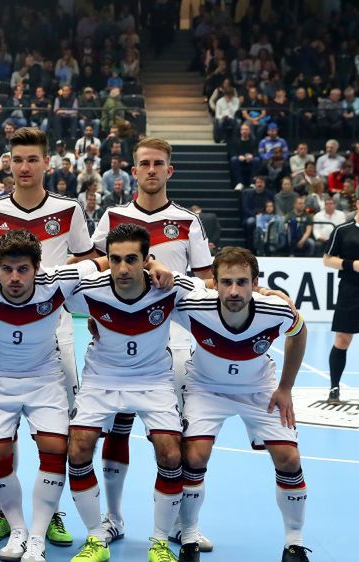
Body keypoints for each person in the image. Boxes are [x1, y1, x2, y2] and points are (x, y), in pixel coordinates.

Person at [0, 229, 135, 562]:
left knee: (55, 449)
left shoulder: (59, 281)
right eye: (7, 269)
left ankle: (36, 537)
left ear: (37, 268)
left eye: (23, 269)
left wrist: (153, 264)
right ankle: (17, 529)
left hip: (44, 379)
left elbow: (104, 263)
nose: (14, 278)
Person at [89, 137, 216, 551]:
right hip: (119, 338)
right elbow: (91, 270)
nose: (151, 170)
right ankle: (113, 518)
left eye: (158, 164)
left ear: (169, 171)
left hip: (175, 340)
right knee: (116, 429)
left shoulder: (187, 221)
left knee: (173, 438)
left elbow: (208, 283)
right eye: (143, 163)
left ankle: (180, 525)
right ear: (133, 169)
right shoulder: (112, 216)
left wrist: (170, 278)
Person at [65, 223, 203, 562]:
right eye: (115, 260)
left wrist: (271, 294)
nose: (122, 269)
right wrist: (98, 263)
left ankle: (158, 542)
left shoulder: (169, 288)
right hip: (102, 378)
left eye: (132, 259)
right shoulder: (90, 288)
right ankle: (97, 538)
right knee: (79, 448)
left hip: (153, 379)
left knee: (171, 454)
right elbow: (53, 279)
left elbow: (216, 288)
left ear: (146, 259)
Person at [172, 247, 311, 562]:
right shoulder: (193, 305)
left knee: (289, 459)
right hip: (206, 388)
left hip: (258, 389)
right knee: (194, 456)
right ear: (214, 283)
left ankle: (294, 543)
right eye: (226, 282)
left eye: (242, 282)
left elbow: (299, 332)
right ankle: (189, 537)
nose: (234, 290)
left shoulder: (275, 309)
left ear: (255, 282)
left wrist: (286, 387)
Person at [323, 188, 359, 402]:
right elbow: (327, 259)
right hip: (350, 290)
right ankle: (334, 387)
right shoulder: (342, 230)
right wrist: (352, 265)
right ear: (358, 204)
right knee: (343, 339)